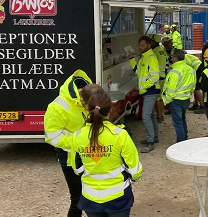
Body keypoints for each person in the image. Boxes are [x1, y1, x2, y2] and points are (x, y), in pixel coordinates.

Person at [69, 88, 143, 217]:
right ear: (110, 109)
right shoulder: (120, 135)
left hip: (90, 197)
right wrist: (135, 178)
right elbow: (134, 169)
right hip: (118, 197)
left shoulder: (78, 135)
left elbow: (77, 168)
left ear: (88, 109)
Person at [44, 69, 93, 217]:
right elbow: (52, 137)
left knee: (92, 196)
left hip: (90, 154)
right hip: (69, 158)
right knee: (77, 199)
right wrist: (79, 142)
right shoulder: (56, 107)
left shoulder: (86, 99)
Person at [129, 36, 161, 153]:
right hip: (147, 91)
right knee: (151, 115)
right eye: (139, 45)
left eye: (142, 45)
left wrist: (143, 87)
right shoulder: (144, 57)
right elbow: (138, 71)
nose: (140, 47)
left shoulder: (151, 58)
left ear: (148, 45)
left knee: (146, 116)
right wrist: (132, 59)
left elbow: (154, 77)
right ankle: (154, 137)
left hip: (151, 91)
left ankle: (150, 141)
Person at [163, 49, 196, 142]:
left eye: (172, 56)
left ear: (175, 58)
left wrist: (167, 100)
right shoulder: (191, 69)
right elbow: (193, 83)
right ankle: (185, 139)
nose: (171, 58)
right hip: (186, 99)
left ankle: (180, 143)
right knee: (182, 120)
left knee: (178, 123)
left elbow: (170, 89)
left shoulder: (174, 72)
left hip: (176, 100)